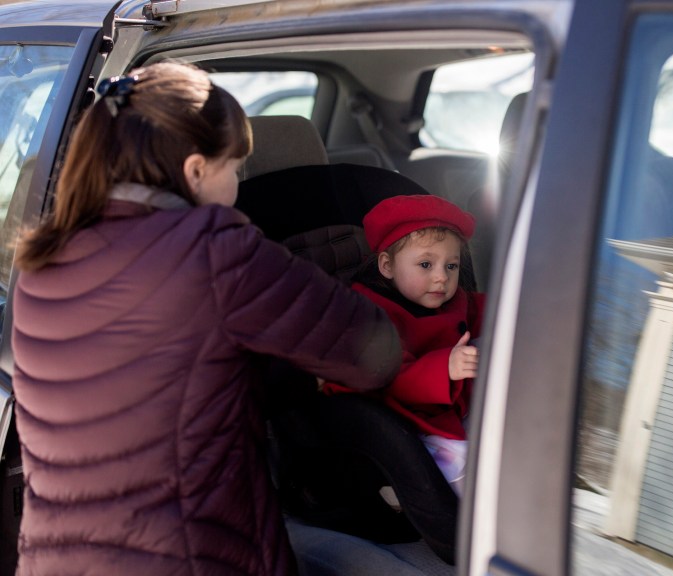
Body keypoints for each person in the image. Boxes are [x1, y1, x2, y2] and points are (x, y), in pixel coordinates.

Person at [11, 61, 401, 576]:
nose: (240, 184)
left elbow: (158, 382)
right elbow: (373, 352)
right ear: (195, 171)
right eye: (235, 168)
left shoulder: (42, 260)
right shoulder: (213, 249)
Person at [324, 194, 485, 497]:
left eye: (451, 266)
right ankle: (412, 493)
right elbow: (391, 376)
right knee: (461, 465)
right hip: (397, 416)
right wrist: (446, 367)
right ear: (387, 266)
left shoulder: (451, 300)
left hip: (446, 406)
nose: (441, 277)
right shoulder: (370, 313)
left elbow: (485, 311)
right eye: (426, 264)